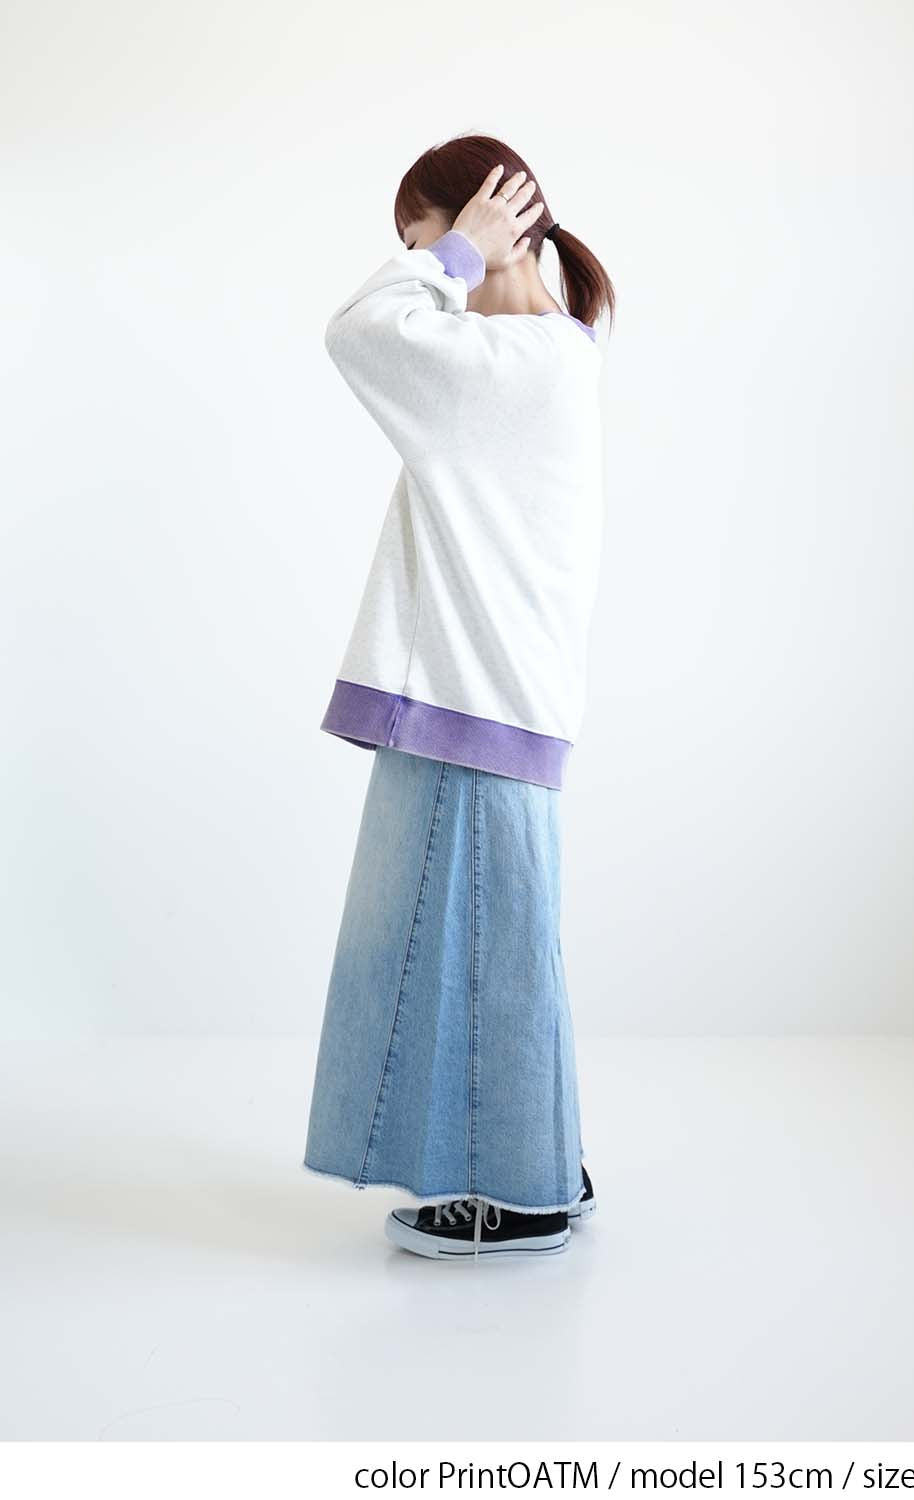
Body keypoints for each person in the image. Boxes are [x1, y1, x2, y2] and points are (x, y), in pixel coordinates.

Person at [302, 132, 614, 1261]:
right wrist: (461, 256)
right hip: (491, 698)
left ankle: (516, 1197)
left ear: (487, 216)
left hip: (470, 700)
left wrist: (460, 255)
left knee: (479, 950)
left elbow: (358, 332)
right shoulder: (546, 354)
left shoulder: (506, 363)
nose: (420, 263)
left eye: (419, 235)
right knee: (500, 939)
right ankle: (542, 1165)